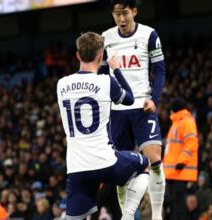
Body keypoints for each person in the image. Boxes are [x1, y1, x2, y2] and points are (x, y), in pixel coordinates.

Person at [57, 31, 149, 220]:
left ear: (77, 55)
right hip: (105, 162)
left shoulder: (61, 84)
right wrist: (115, 69)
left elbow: (84, 84)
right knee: (145, 164)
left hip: (76, 167)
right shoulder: (106, 82)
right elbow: (130, 98)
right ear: (101, 56)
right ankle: (128, 216)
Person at [99, 1, 166, 219]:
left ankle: (157, 215)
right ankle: (126, 216)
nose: (121, 19)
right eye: (117, 14)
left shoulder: (149, 35)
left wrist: (154, 99)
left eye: (125, 13)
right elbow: (100, 75)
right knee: (121, 170)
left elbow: (160, 70)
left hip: (142, 107)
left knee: (154, 159)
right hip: (116, 110)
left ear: (134, 11)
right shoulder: (106, 38)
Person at [162, 97, 199, 220]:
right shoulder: (177, 123)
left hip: (181, 170)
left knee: (178, 201)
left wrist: (182, 161)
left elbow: (192, 143)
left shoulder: (186, 122)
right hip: (172, 171)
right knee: (173, 201)